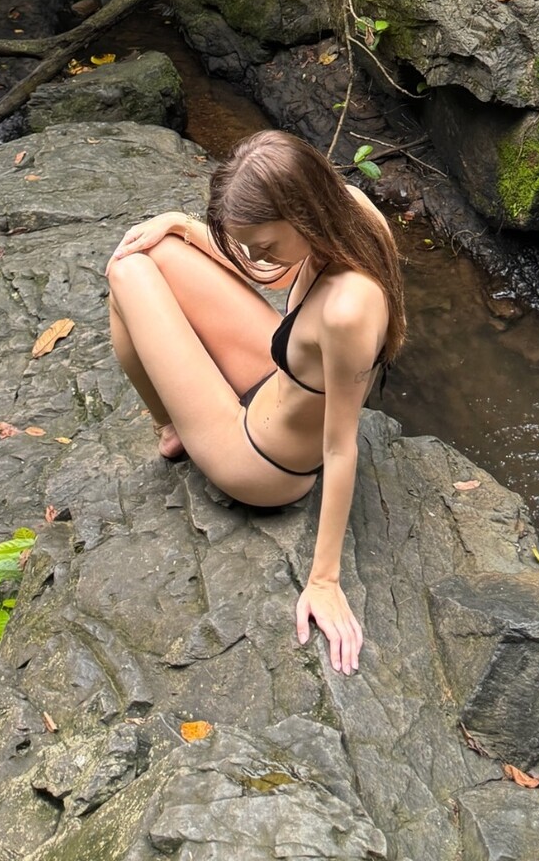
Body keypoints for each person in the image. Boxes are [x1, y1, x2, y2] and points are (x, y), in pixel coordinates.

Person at [105, 127, 406, 676]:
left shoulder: (348, 311)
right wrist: (181, 225)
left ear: (303, 213)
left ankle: (173, 428)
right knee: (156, 248)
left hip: (261, 462)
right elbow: (272, 271)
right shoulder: (351, 210)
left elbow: (341, 448)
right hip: (277, 378)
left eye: (263, 243)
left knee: (125, 271)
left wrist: (324, 580)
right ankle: (178, 425)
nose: (255, 257)